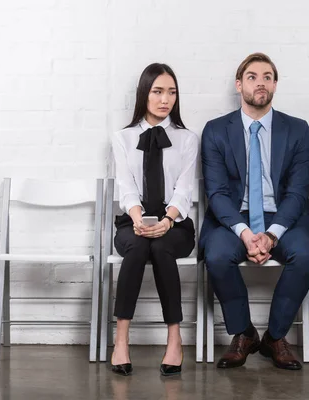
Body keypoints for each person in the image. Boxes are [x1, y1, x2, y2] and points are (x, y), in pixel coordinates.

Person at [199, 53, 309, 370]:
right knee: (216, 256)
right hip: (233, 220)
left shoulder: (297, 130)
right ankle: (244, 332)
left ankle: (275, 337)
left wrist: (270, 234)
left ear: (275, 84)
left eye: (267, 76)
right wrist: (247, 233)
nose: (260, 82)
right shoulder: (215, 130)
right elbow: (217, 193)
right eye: (252, 76)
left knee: (305, 254)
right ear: (239, 85)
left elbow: (297, 193)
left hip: (283, 218)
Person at [110, 63, 199, 376]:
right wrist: (138, 219)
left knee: (161, 247)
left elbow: (185, 190)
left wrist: (168, 220)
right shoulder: (122, 138)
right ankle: (121, 340)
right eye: (158, 91)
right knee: (137, 246)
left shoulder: (188, 139)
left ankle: (174, 340)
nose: (166, 99)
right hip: (132, 221)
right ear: (144, 94)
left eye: (171, 92)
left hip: (175, 225)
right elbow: (126, 187)